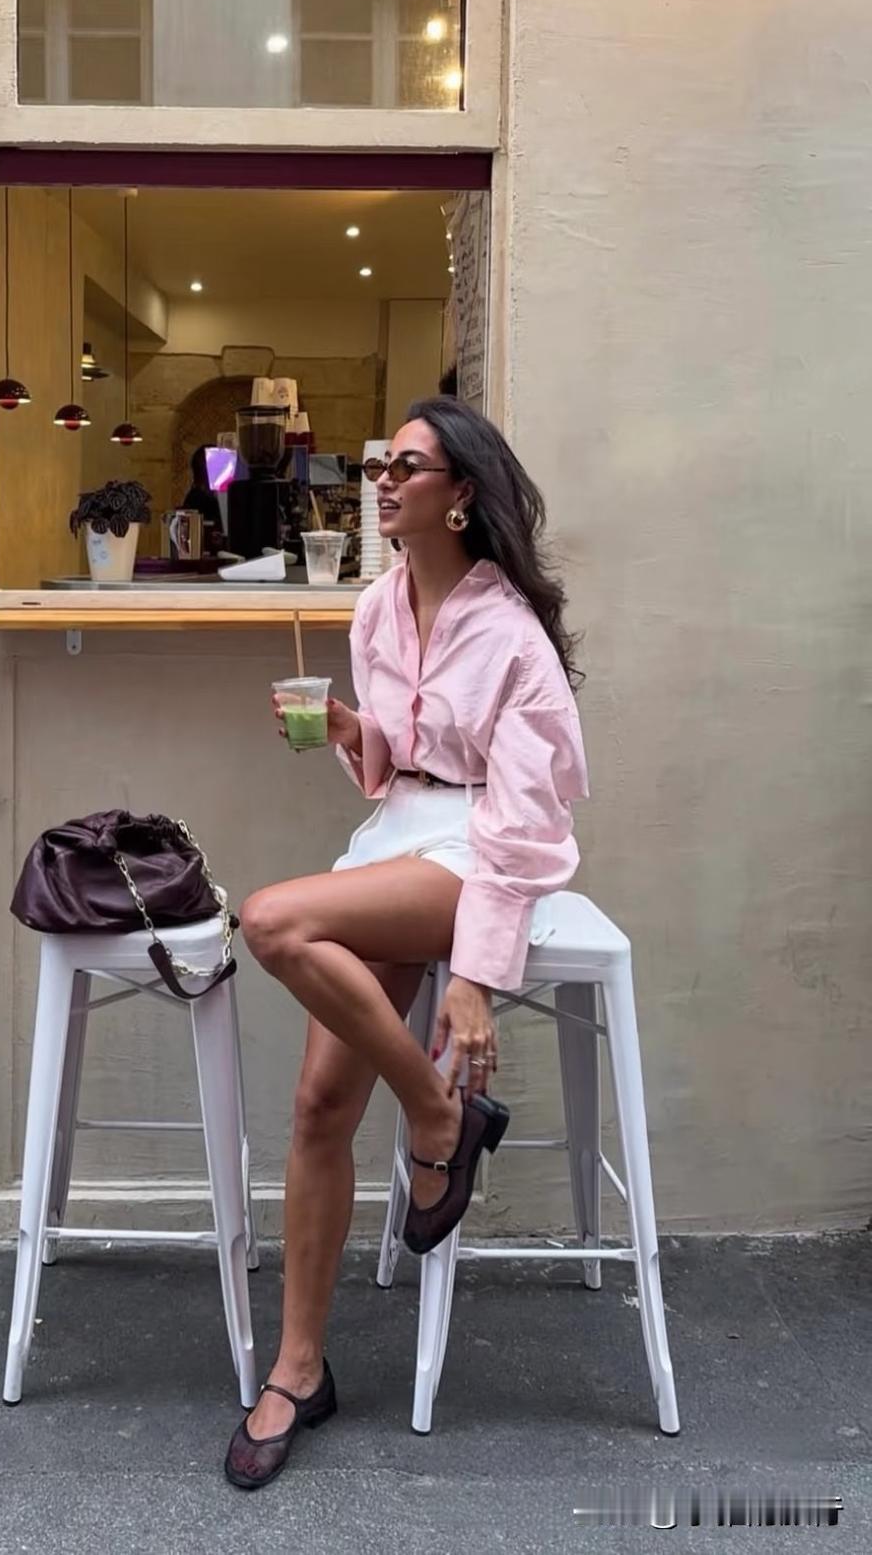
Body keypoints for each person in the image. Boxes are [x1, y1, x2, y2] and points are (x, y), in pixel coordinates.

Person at [223, 395, 588, 1490]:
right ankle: (299, 1367)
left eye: (408, 468)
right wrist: (353, 733)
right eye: (382, 464)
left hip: (477, 851)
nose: (383, 481)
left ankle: (436, 1115)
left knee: (271, 917)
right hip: (398, 835)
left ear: (461, 494)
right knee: (316, 1105)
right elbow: (400, 758)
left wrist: (472, 972)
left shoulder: (512, 635)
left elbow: (526, 820)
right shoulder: (378, 606)